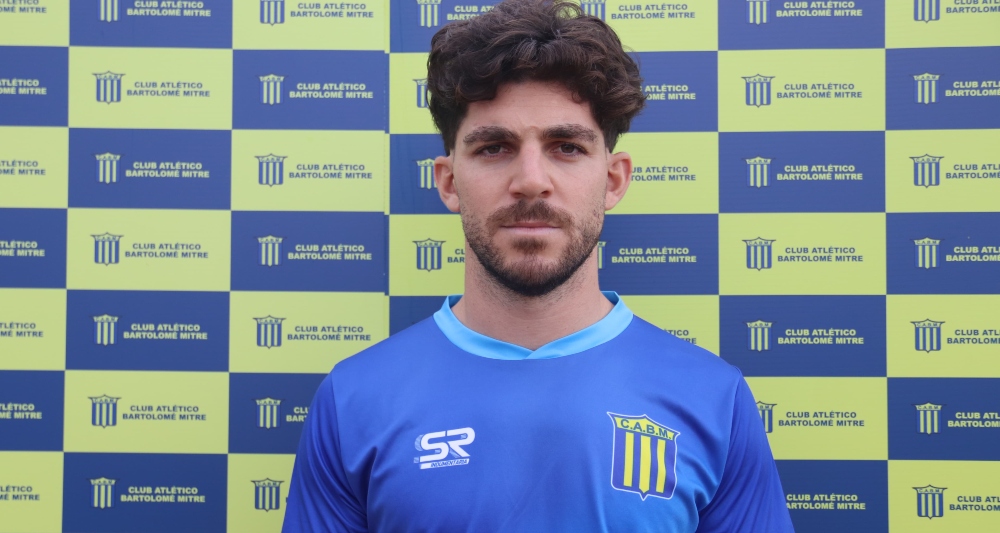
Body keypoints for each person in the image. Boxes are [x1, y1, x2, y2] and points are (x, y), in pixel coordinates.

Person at [282, 0, 794, 531]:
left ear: (613, 180)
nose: (531, 180)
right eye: (494, 148)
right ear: (449, 182)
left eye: (566, 147)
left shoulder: (714, 398)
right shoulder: (353, 399)